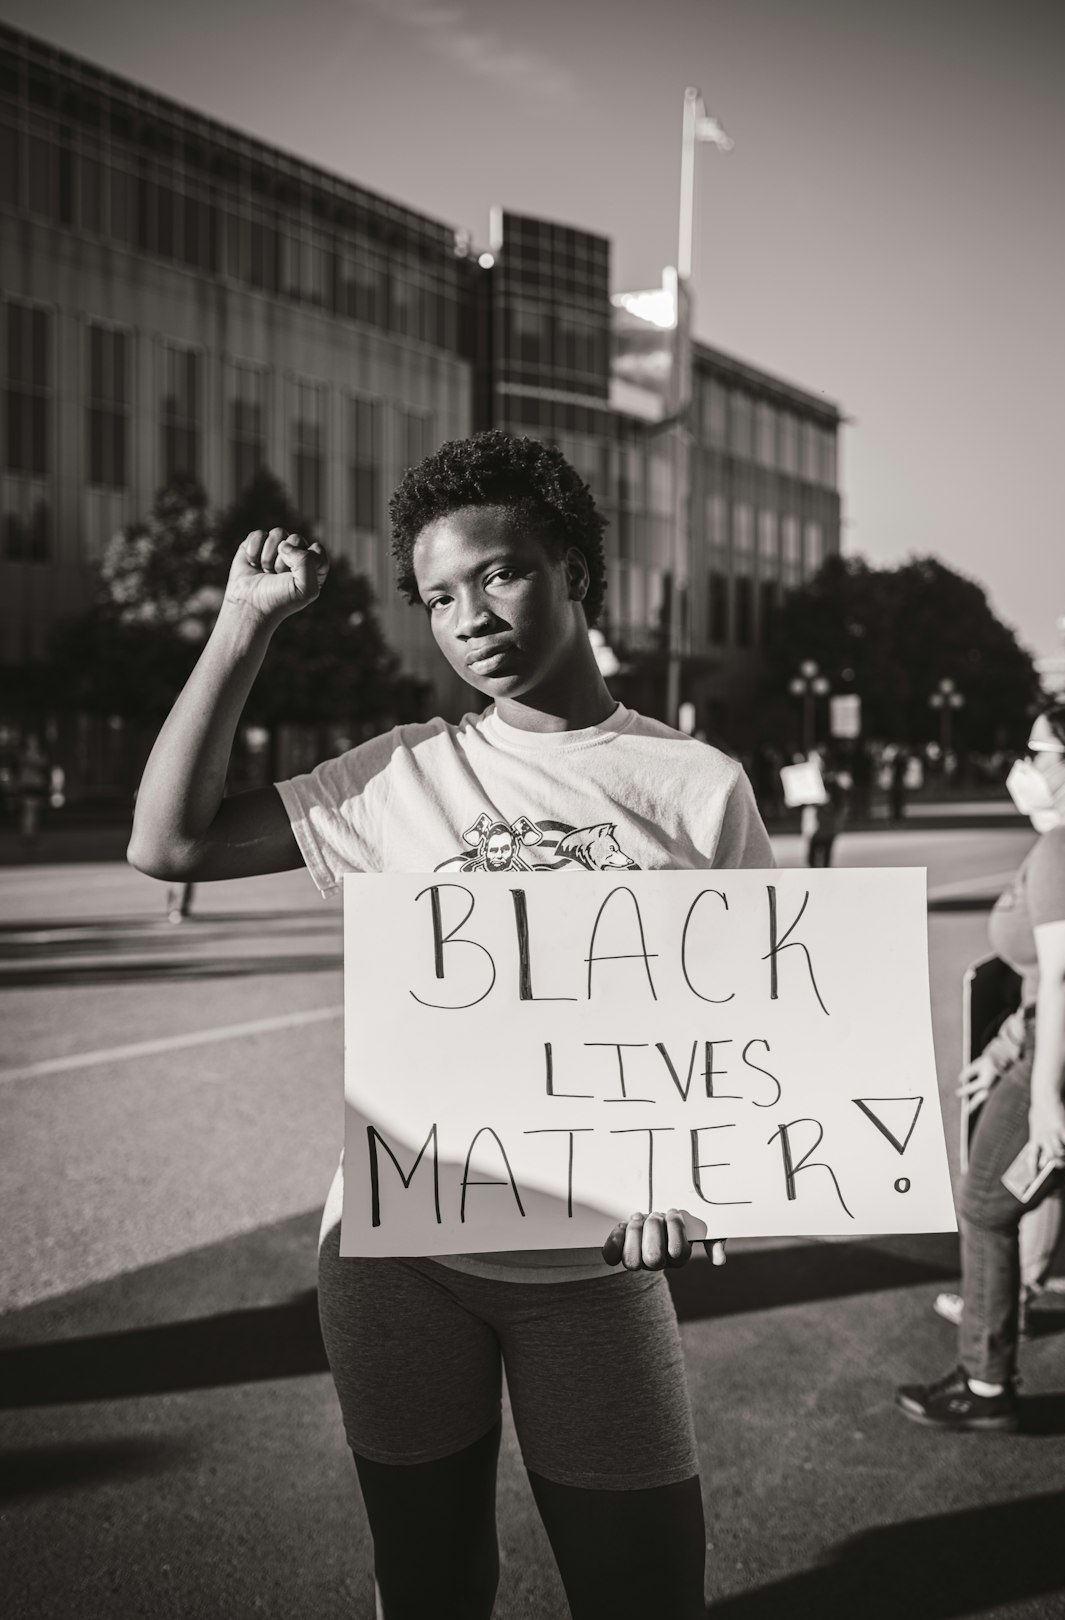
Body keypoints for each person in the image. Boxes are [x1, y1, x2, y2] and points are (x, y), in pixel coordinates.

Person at [128, 431, 775, 1620]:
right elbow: (166, 844)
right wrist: (245, 624)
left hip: (593, 1272)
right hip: (394, 1259)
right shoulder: (399, 777)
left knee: (645, 1590)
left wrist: (705, 1187)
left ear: (577, 573)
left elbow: (748, 1047)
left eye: (499, 573)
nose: (468, 615)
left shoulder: (698, 788)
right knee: (429, 1586)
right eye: (436, 596)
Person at [895, 701, 1065, 1432]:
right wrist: (1006, 1043)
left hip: (1058, 1062)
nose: (1024, 767)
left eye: (1037, 753)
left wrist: (1041, 1098)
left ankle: (986, 1382)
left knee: (983, 1204)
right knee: (1015, 1196)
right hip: (1041, 1047)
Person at [801, 747, 850, 868]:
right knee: (811, 859)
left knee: (826, 858)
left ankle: (824, 884)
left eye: (816, 760)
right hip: (812, 825)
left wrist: (829, 803)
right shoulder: (806, 781)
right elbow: (799, 804)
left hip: (827, 824)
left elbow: (840, 803)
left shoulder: (832, 781)